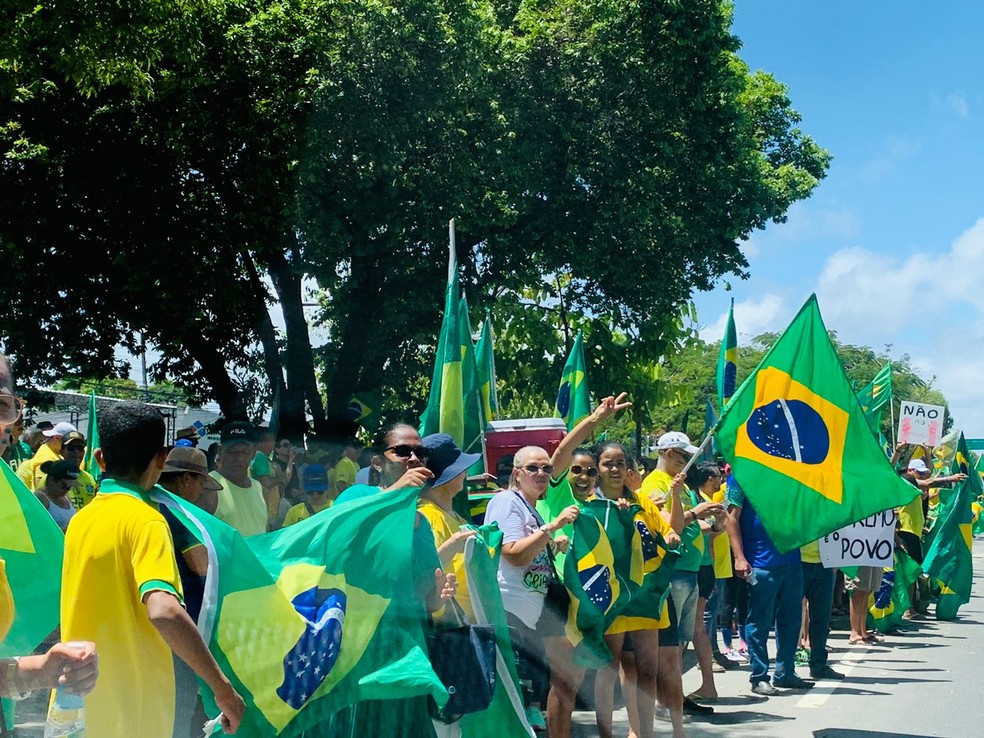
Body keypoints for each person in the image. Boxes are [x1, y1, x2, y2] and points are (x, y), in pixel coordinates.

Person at [60, 401, 244, 738]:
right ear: (162, 458)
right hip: (136, 712)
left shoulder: (80, 520)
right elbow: (163, 610)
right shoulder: (147, 521)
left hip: (81, 710)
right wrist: (222, 688)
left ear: (100, 458)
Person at [534, 394, 631, 738]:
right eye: (577, 470)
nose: (584, 476)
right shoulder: (558, 496)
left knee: (575, 683)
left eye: (591, 471)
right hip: (559, 595)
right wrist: (595, 420)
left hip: (588, 604)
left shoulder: (597, 505)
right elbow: (560, 454)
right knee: (564, 684)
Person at [483, 445, 579, 733]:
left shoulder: (529, 507)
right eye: (533, 468)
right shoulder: (507, 501)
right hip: (508, 613)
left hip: (529, 617)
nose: (541, 474)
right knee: (513, 704)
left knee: (528, 703)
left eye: (546, 468)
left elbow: (530, 550)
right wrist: (553, 527)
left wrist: (551, 543)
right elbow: (512, 553)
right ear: (516, 472)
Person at [597, 441, 682, 738]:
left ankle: (646, 733)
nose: (615, 469)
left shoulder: (639, 500)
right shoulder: (592, 504)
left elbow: (666, 528)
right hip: (612, 597)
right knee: (609, 670)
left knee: (648, 670)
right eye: (608, 463)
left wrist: (670, 536)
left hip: (645, 595)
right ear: (598, 468)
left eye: (621, 463)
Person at [639, 432, 714, 731]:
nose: (687, 463)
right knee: (667, 646)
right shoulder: (656, 483)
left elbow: (690, 522)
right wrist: (697, 513)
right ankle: (664, 700)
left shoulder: (678, 485)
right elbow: (672, 524)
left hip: (690, 570)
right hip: (672, 571)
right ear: (669, 453)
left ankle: (675, 695)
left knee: (680, 643)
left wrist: (711, 520)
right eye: (683, 456)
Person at [157, 445, 224, 738]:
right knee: (178, 710)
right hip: (178, 625)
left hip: (156, 625)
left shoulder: (150, 504)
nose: (201, 491)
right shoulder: (175, 512)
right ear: (186, 479)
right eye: (200, 482)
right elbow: (201, 565)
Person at [725, 474, 812, 696]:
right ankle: (759, 676)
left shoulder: (788, 473)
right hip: (761, 563)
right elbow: (731, 517)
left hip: (792, 560)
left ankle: (785, 673)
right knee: (759, 621)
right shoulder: (741, 476)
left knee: (791, 621)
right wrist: (739, 557)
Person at [418, 433, 482, 621]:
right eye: (461, 468)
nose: (465, 472)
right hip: (454, 629)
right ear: (449, 476)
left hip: (472, 624)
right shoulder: (430, 516)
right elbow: (428, 573)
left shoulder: (454, 516)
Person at [682, 462, 730, 704]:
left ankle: (703, 685)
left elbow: (706, 530)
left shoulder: (694, 497)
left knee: (686, 630)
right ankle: (706, 684)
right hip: (701, 567)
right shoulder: (693, 495)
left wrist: (714, 524)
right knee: (694, 628)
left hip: (698, 567)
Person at [210, 421, 268, 537]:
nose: (239, 458)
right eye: (232, 452)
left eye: (244, 452)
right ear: (220, 451)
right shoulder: (209, 485)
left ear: (253, 453)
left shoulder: (258, 487)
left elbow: (263, 529)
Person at [799, 536, 843, 679]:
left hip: (826, 561)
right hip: (797, 561)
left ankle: (819, 665)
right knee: (790, 617)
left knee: (822, 619)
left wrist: (837, 557)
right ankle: (785, 669)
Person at [17, 420, 76, 490]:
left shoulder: (55, 454)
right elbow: (42, 490)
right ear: (57, 438)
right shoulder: (45, 457)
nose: (73, 447)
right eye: (70, 443)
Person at [56, 430, 99, 509]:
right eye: (71, 448)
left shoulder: (89, 479)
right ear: (61, 452)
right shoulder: (52, 478)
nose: (76, 452)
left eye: (80, 448)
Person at [249, 426, 281, 529]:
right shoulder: (260, 457)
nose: (274, 443)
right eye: (272, 440)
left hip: (262, 509)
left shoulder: (256, 457)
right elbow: (266, 482)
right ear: (263, 442)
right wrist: (281, 479)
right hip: (267, 511)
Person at [35, 459, 79, 531]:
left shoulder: (66, 497)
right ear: (51, 480)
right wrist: (66, 530)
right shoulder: (40, 498)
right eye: (64, 485)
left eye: (70, 486)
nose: (68, 489)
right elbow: (38, 530)